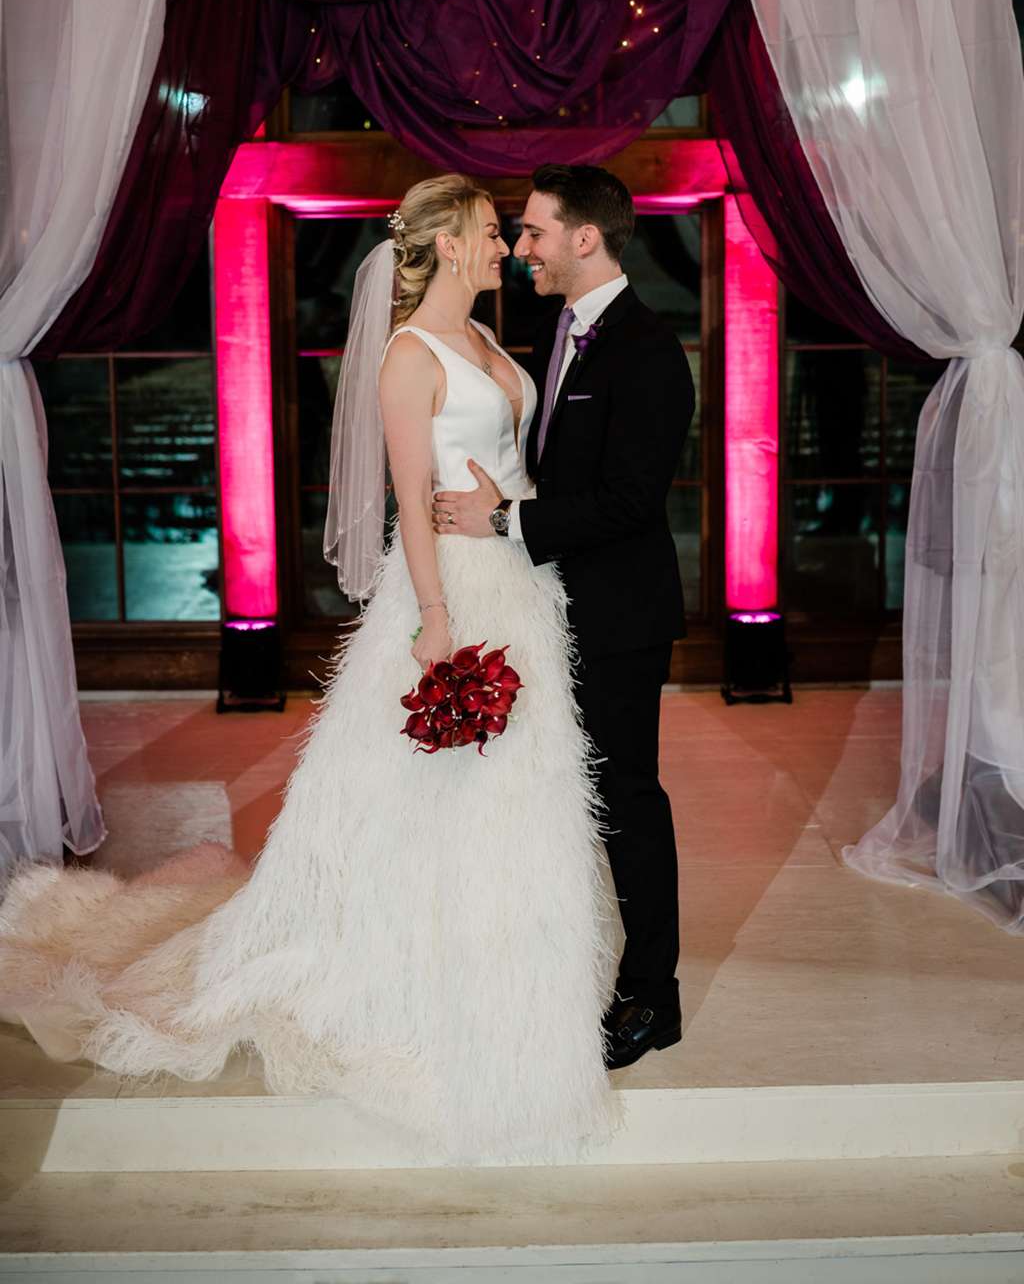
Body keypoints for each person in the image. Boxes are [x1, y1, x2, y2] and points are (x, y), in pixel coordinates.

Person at [0, 175, 619, 1164]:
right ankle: (415, 971)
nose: (504, 245)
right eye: (489, 232)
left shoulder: (489, 341)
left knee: (522, 787)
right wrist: (436, 620)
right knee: (432, 790)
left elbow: (517, 470)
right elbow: (411, 500)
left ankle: (513, 967)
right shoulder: (408, 356)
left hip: (520, 585)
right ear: (448, 244)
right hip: (453, 593)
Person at [432, 164, 694, 1069]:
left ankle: (652, 997)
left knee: (628, 799)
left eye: (536, 232)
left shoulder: (648, 350)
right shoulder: (559, 331)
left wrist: (503, 520)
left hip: (621, 617)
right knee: (559, 795)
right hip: (549, 606)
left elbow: (628, 502)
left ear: (586, 238)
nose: (522, 248)